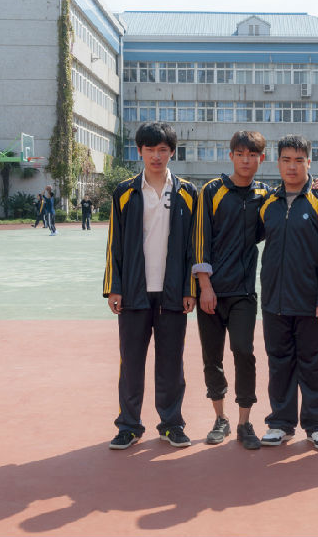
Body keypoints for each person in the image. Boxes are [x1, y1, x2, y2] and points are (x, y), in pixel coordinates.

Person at [104, 122, 198, 450]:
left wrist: (189, 289)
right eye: (149, 150)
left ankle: (172, 424)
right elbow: (114, 242)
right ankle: (129, 426)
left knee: (171, 363)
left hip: (173, 293)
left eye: (162, 150)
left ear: (172, 152)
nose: (156, 156)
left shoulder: (187, 193)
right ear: (139, 151)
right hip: (134, 292)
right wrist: (114, 287)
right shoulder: (125, 192)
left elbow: (193, 246)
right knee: (131, 362)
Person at [256, 134, 318, 450]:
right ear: (277, 162)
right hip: (274, 301)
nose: (292, 166)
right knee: (279, 364)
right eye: (286, 160)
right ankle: (280, 423)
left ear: (309, 162)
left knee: (316, 365)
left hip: (312, 303)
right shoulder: (268, 202)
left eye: (299, 160)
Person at [192, 131, 271, 450]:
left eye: (252, 155)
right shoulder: (212, 191)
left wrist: (317, 185)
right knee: (212, 358)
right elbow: (200, 239)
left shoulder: (265, 194)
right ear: (231, 156)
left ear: (261, 158)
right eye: (240, 154)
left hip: (243, 292)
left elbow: (288, 203)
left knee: (244, 352)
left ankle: (244, 422)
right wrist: (204, 286)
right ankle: (220, 419)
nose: (246, 160)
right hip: (210, 292)